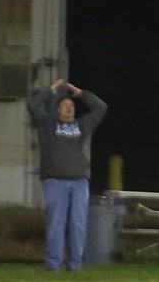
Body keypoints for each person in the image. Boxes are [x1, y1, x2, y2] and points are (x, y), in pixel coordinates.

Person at [27, 79, 108, 271]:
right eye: (64, 106)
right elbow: (32, 105)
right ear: (57, 110)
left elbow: (101, 108)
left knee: (77, 226)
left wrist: (82, 94)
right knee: (56, 225)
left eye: (71, 105)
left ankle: (75, 264)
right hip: (55, 181)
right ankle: (53, 264)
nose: (68, 108)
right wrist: (50, 90)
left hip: (79, 181)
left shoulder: (82, 126)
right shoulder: (48, 124)